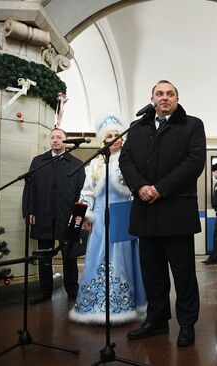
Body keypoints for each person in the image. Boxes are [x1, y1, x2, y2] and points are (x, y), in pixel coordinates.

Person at [119, 80, 206, 347]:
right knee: (152, 273)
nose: (164, 98)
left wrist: (160, 188)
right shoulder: (137, 127)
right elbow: (126, 160)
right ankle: (156, 321)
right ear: (152, 98)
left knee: (183, 274)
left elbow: (194, 162)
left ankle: (187, 324)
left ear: (177, 99)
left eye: (170, 94)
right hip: (146, 212)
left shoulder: (192, 125)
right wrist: (140, 186)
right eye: (160, 94)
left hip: (176, 211)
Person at [69, 115, 147, 324]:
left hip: (124, 216)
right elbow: (86, 192)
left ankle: (123, 305)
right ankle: (95, 306)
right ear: (104, 140)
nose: (114, 138)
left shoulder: (131, 163)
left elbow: (135, 190)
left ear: (123, 139)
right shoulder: (94, 165)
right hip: (100, 220)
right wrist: (84, 215)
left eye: (117, 135)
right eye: (110, 136)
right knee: (98, 257)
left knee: (122, 259)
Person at [22, 128, 86, 304]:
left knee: (69, 255)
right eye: (53, 137)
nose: (55, 140)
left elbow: (82, 192)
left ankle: (72, 289)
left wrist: (79, 217)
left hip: (68, 217)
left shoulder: (76, 164)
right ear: (49, 140)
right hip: (43, 215)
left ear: (65, 141)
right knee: (44, 255)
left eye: (59, 137)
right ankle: (45, 291)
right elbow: (30, 188)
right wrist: (29, 212)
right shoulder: (38, 162)